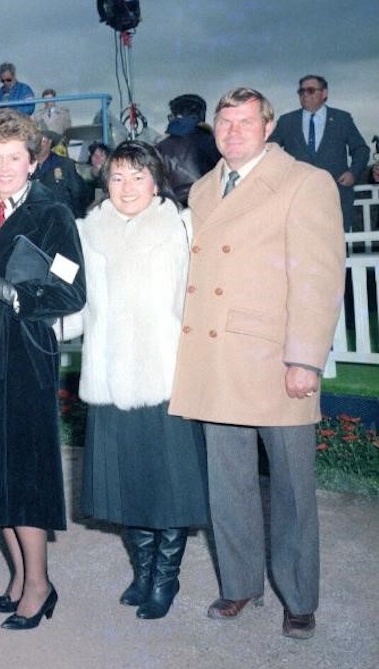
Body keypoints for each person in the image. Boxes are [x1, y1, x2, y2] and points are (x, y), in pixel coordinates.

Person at [170, 87, 345, 640]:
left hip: (275, 360)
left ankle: (299, 595)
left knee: (292, 489)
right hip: (218, 359)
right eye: (225, 122)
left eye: (246, 122)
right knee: (229, 485)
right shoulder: (201, 190)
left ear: (269, 127)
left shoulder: (306, 183)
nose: (234, 131)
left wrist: (305, 360)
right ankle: (241, 584)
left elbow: (318, 279)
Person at [65, 140, 209, 619]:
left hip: (165, 375)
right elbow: (75, 308)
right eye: (118, 177)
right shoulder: (87, 232)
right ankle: (143, 570)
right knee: (128, 484)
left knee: (168, 485)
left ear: (156, 180)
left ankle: (165, 579)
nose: (127, 187)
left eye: (138, 176)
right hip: (108, 375)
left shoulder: (182, 227)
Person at [0, 110, 86, 630]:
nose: (4, 167)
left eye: (15, 158)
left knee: (26, 467)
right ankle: (17, 573)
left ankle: (40, 584)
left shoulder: (51, 213)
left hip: (26, 351)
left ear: (33, 161)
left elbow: (72, 290)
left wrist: (16, 292)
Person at [269, 75, 370, 229]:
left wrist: (353, 173)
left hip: (335, 195)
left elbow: (361, 149)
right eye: (301, 91)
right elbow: (270, 151)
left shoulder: (342, 119)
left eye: (310, 90)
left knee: (335, 249)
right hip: (296, 197)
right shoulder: (286, 121)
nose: (305, 94)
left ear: (324, 94)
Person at [33, 130, 92, 218]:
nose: (38, 145)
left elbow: (78, 194)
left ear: (50, 142)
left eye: (43, 140)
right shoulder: (26, 167)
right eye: (35, 141)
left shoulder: (65, 165)